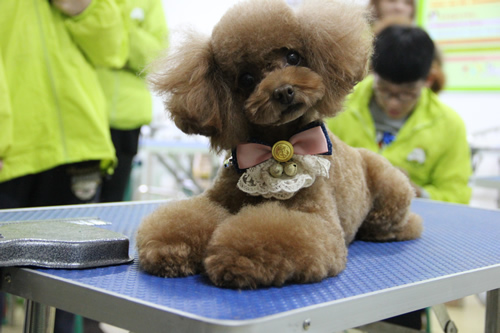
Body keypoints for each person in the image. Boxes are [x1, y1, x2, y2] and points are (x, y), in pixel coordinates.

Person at [327, 24, 472, 328]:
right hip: (341, 238)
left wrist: (419, 192)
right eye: (385, 91)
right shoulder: (337, 108)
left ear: (427, 80)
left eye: (406, 94)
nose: (393, 103)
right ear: (372, 75)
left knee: (399, 318)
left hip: (405, 251)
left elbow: (458, 195)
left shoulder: (449, 126)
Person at [0, 0, 128, 332]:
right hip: (11, 154)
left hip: (78, 143)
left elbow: (113, 50)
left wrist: (83, 8)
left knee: (70, 288)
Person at [99, 0, 169, 203]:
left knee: (113, 200)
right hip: (84, 115)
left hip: (128, 119)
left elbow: (156, 57)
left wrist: (116, 24)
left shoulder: (149, 3)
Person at [368, 0, 446, 93]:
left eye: (407, 3)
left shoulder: (423, 43)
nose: (399, 7)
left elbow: (436, 85)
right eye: (391, 1)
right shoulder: (361, 40)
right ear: (376, 4)